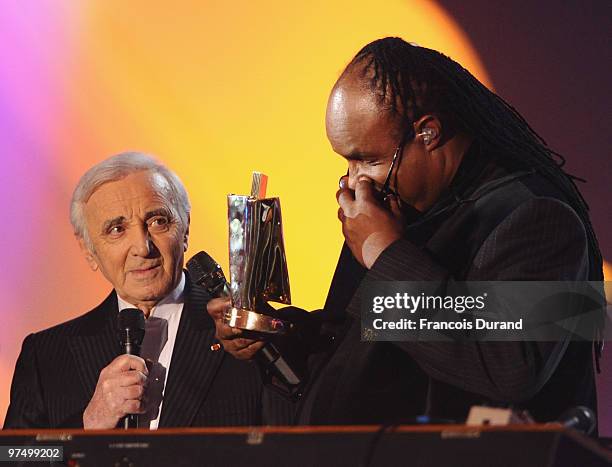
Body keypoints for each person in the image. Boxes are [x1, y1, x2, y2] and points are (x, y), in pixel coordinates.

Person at [208, 37, 604, 427]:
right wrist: (275, 335)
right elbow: (355, 349)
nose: (353, 180)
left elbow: (511, 366)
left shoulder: (543, 217)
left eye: (367, 159)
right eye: (346, 161)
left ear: (428, 133)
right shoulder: (401, 210)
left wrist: (385, 253)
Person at [4, 152, 262, 429]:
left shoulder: (245, 335)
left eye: (158, 222)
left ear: (185, 229)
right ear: (88, 250)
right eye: (116, 229)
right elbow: (14, 457)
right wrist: (87, 425)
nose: (142, 247)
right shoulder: (47, 356)